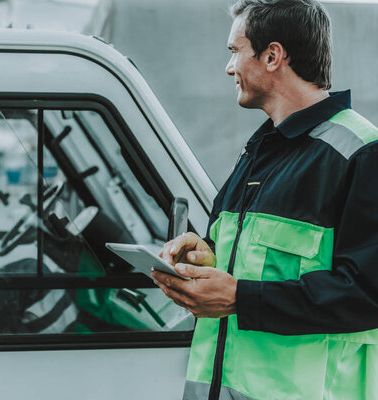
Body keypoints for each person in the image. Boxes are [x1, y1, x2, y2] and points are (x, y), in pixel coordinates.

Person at [152, 1, 378, 399]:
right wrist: (205, 257)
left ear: (272, 55)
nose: (228, 67)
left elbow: (368, 294)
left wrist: (239, 298)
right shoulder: (260, 150)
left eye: (234, 51)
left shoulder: (361, 153)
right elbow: (256, 264)